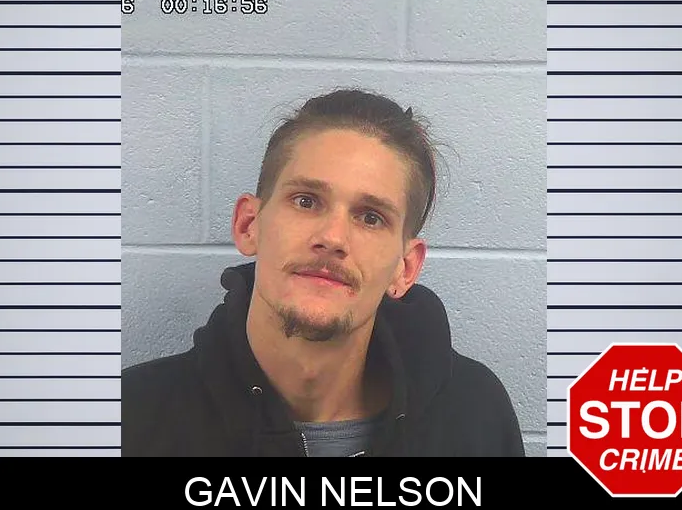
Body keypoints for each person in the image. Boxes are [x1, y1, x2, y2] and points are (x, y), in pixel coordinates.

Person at [122, 88, 525, 457]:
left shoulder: (475, 417)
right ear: (249, 225)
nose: (332, 237)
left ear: (405, 268)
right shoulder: (134, 419)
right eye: (306, 201)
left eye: (370, 217)